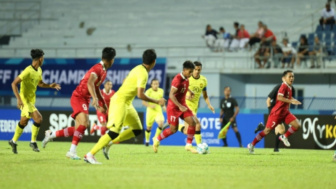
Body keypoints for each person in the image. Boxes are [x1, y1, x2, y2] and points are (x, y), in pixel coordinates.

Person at [84, 49, 166, 164]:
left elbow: (126, 82)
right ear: (154, 62)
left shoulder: (137, 68)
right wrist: (157, 101)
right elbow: (140, 94)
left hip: (126, 103)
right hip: (120, 101)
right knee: (114, 131)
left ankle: (108, 143)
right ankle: (90, 154)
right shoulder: (144, 74)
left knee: (137, 129)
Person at [42, 47, 116, 160]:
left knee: (79, 128)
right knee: (84, 123)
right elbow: (90, 83)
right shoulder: (97, 68)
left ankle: (51, 134)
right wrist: (95, 99)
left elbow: (95, 87)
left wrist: (103, 103)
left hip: (84, 98)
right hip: (78, 97)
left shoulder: (103, 71)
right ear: (111, 60)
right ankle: (71, 151)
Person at [8, 49, 61, 154]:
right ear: (40, 59)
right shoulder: (27, 70)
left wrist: (50, 85)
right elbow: (14, 83)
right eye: (43, 58)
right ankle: (33, 142)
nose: (43, 60)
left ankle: (13, 141)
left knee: (23, 121)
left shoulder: (39, 70)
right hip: (24, 100)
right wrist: (18, 99)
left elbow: (40, 83)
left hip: (31, 100)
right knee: (38, 118)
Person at [248, 70, 302, 154]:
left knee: (297, 125)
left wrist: (294, 101)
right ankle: (252, 145)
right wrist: (291, 101)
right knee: (267, 131)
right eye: (290, 76)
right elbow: (279, 98)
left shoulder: (290, 87)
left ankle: (284, 137)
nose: (291, 78)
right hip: (277, 113)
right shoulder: (283, 86)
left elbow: (288, 99)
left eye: (293, 76)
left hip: (285, 112)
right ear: (284, 78)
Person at [152, 61, 197, 154]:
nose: (191, 74)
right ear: (184, 70)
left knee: (192, 122)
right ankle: (157, 139)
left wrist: (190, 91)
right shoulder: (177, 79)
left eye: (192, 72)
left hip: (182, 105)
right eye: (190, 72)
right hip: (173, 107)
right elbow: (171, 95)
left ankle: (188, 145)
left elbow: (183, 86)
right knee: (173, 130)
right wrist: (179, 106)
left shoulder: (186, 78)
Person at [178, 61, 215, 148]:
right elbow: (179, 91)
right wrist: (186, 97)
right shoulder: (187, 78)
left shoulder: (203, 80)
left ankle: (178, 126)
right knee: (197, 124)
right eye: (195, 69)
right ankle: (200, 146)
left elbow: (205, 95)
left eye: (199, 70)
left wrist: (209, 105)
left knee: (187, 131)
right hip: (186, 105)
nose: (197, 71)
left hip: (195, 107)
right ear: (192, 69)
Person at [254, 77, 296, 152]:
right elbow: (268, 100)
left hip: (282, 111)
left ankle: (262, 127)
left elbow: (288, 102)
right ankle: (276, 148)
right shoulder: (278, 87)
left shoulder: (291, 89)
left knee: (280, 130)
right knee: (281, 130)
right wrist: (271, 112)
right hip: (275, 111)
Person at [142, 79, 166, 146]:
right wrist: (150, 105)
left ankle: (156, 138)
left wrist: (164, 106)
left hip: (158, 110)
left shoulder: (161, 91)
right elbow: (143, 102)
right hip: (150, 111)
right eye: (154, 84)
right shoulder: (148, 92)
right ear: (151, 85)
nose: (156, 85)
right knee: (149, 127)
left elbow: (161, 101)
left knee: (161, 123)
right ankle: (147, 140)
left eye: (157, 84)